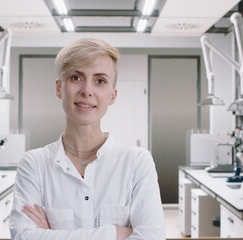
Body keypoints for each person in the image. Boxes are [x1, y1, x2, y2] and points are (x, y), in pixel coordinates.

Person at [9, 38, 166, 240]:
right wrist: (113, 234)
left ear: (113, 95)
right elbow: (23, 237)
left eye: (100, 81)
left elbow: (152, 238)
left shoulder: (137, 162)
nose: (87, 91)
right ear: (59, 88)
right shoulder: (34, 164)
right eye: (76, 78)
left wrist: (49, 235)